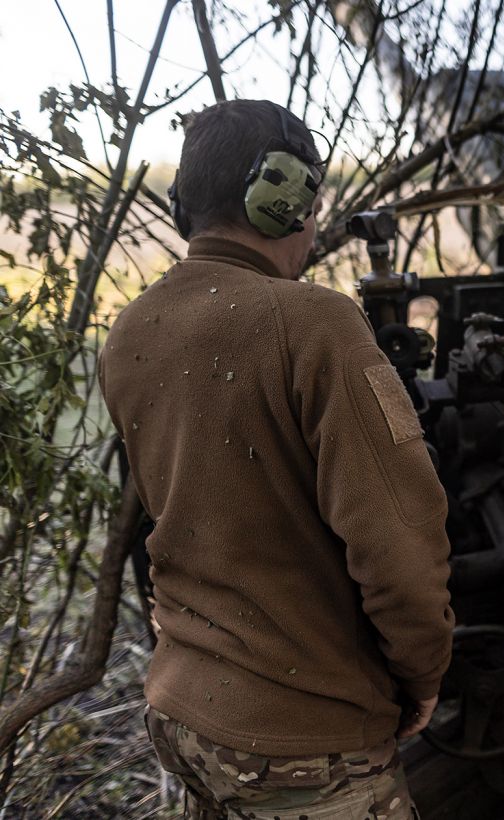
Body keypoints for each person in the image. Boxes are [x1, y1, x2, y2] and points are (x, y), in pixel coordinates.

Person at [99, 99, 455, 818]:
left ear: (181, 206)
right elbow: (399, 545)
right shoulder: (313, 323)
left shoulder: (130, 331)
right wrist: (422, 678)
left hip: (181, 713)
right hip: (303, 747)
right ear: (287, 200)